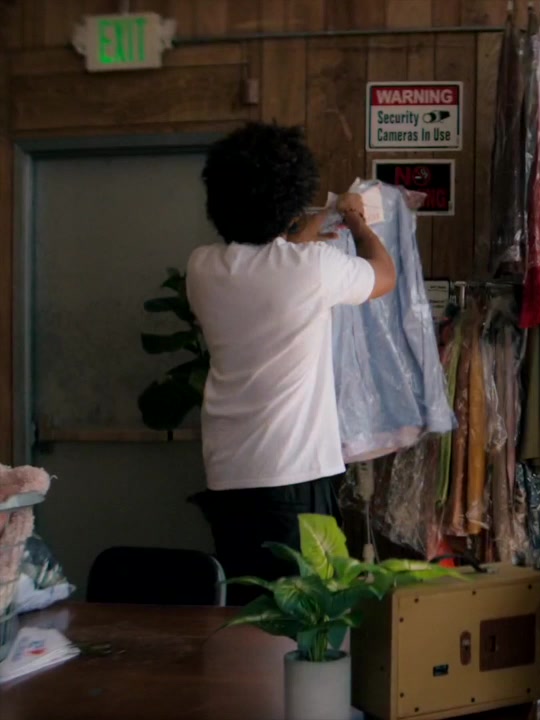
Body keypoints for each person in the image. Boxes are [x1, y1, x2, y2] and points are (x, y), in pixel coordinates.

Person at [185, 123, 396, 604]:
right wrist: (356, 222)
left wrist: (315, 221)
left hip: (228, 475)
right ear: (290, 201)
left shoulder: (202, 267)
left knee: (247, 612)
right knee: (307, 620)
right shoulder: (313, 268)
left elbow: (275, 257)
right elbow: (384, 276)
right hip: (295, 473)